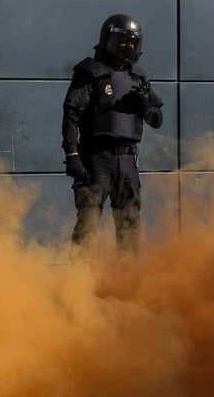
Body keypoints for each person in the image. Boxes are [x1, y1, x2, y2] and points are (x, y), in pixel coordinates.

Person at [61, 13, 163, 253]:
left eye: (132, 42)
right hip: (97, 158)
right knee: (88, 221)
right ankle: (79, 274)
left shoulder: (138, 76)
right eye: (122, 41)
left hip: (128, 160)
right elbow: (71, 115)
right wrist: (72, 154)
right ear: (108, 40)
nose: (127, 46)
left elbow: (157, 120)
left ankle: (127, 275)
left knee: (130, 221)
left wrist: (146, 106)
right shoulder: (91, 71)